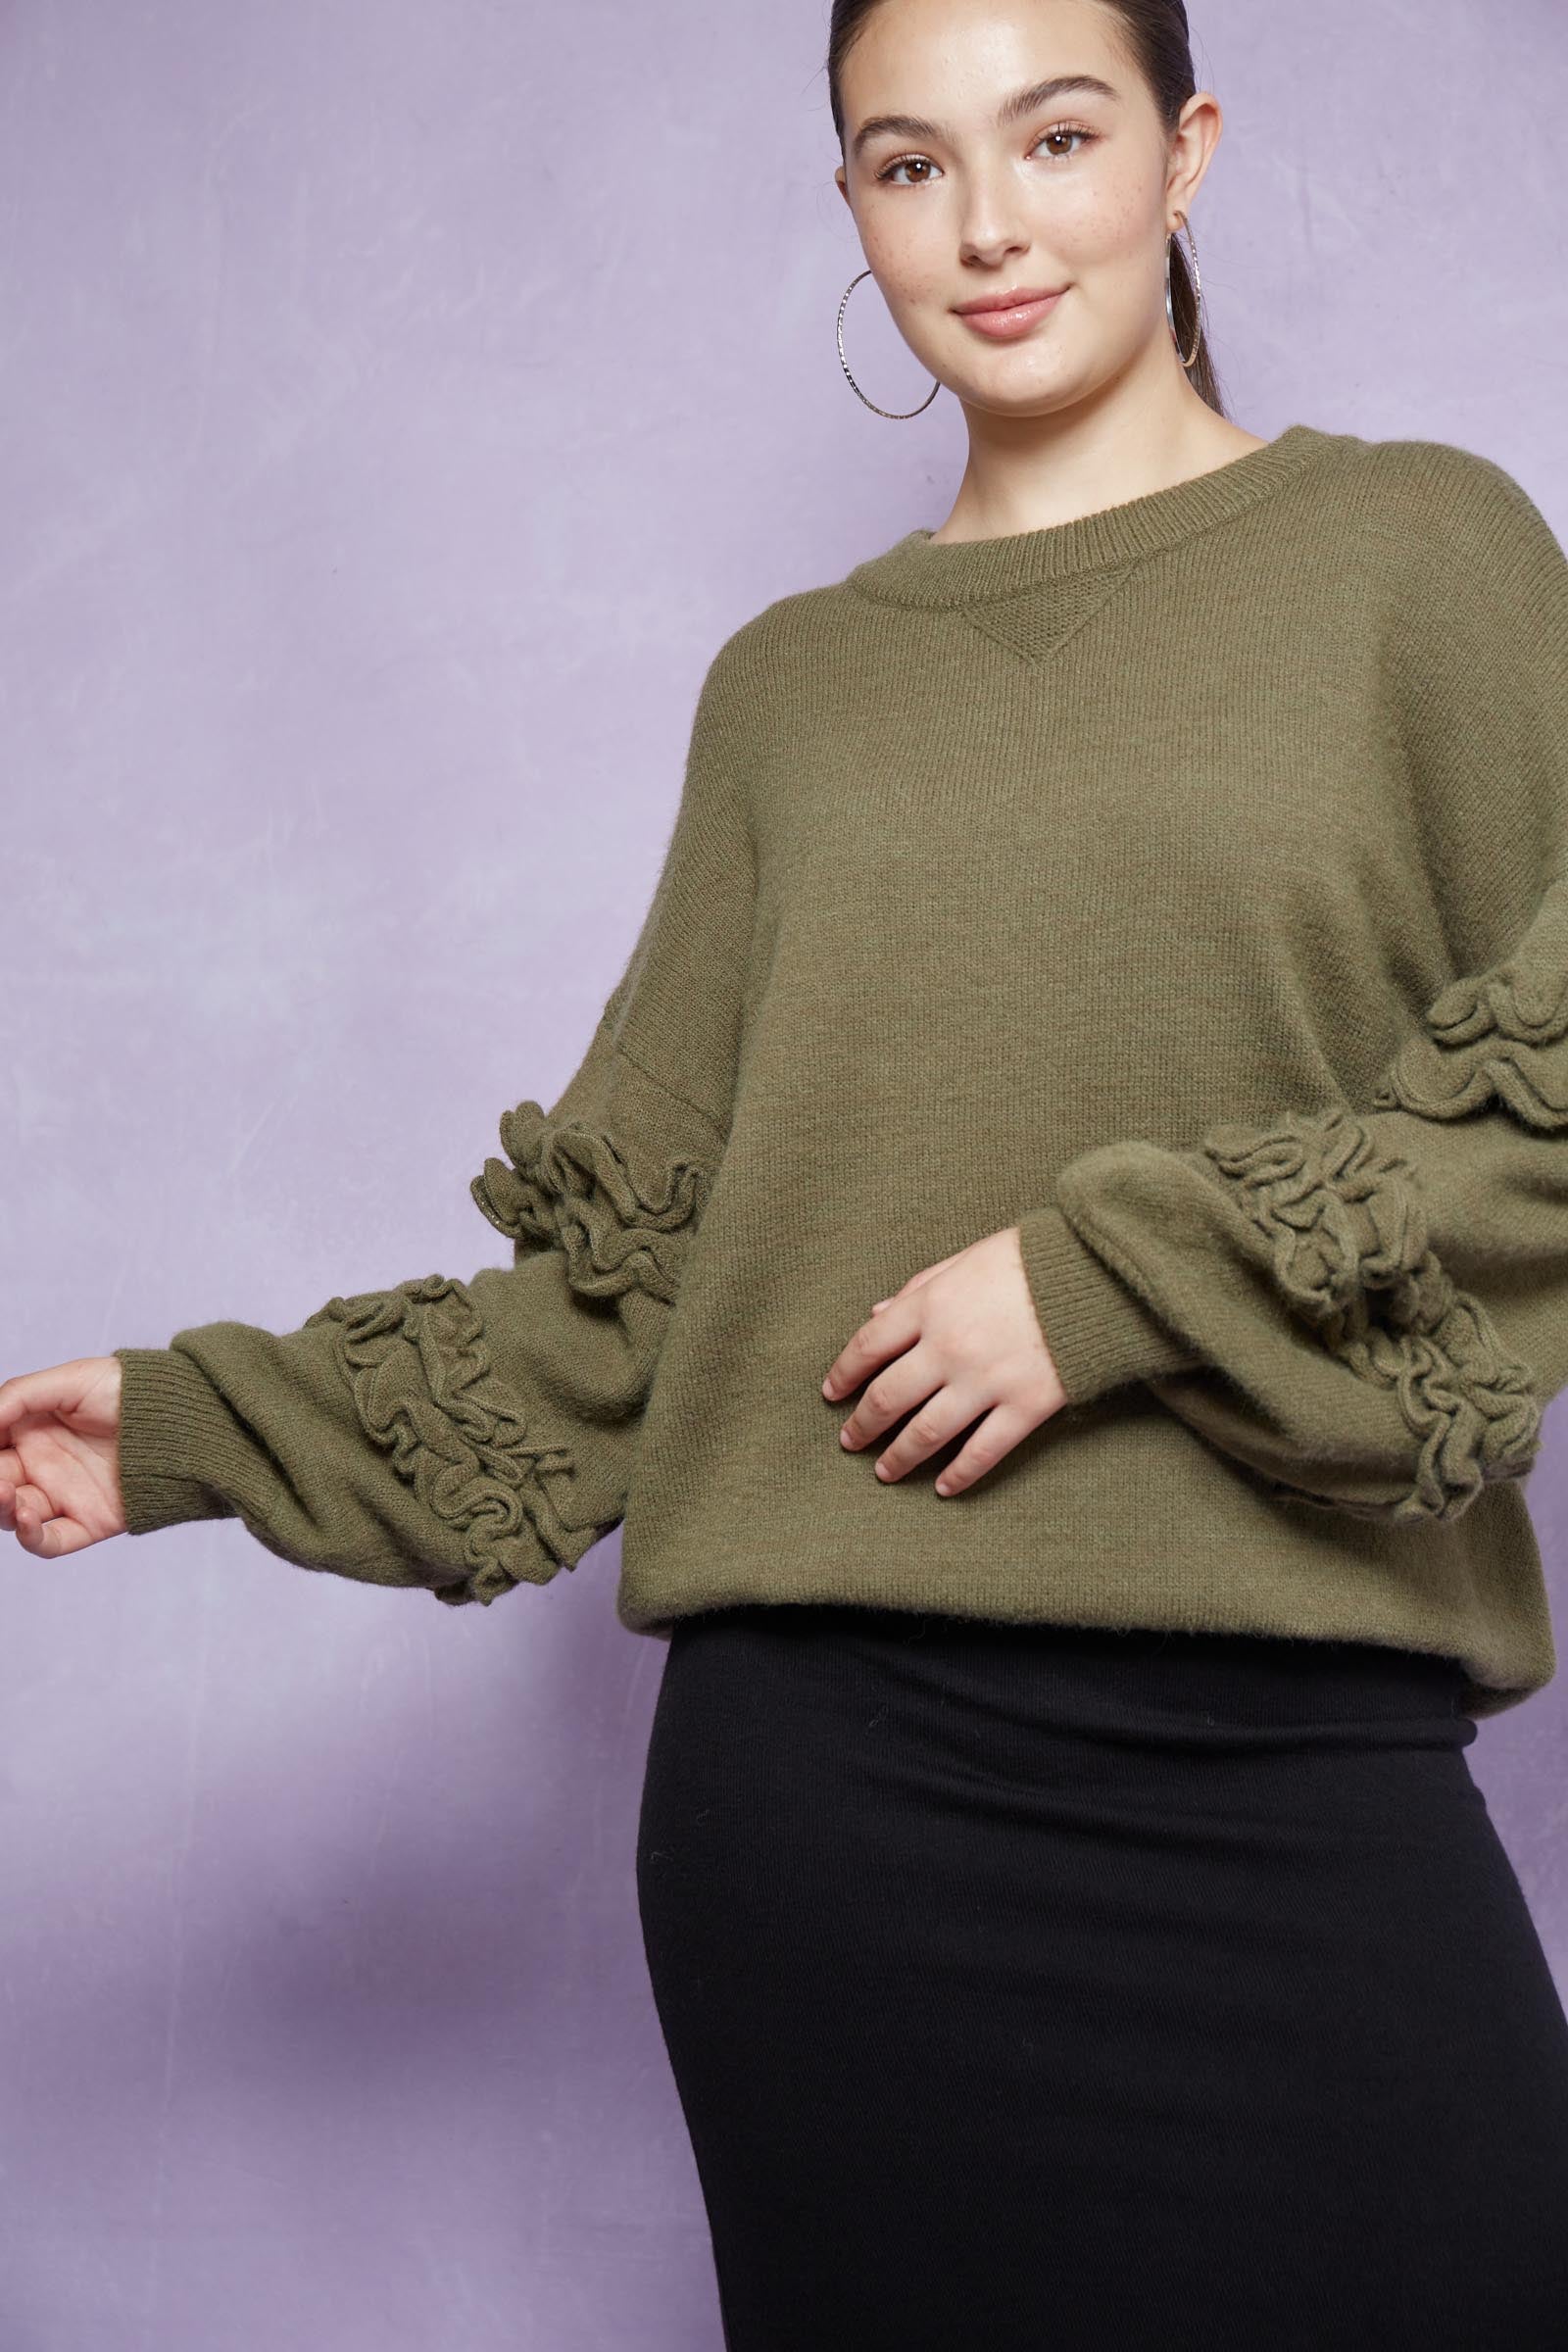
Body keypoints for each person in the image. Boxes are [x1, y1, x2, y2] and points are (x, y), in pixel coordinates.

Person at [4, 0, 1568, 2342]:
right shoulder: (792, 694)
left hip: (1298, 1742)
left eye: (1055, 137)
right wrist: (197, 1429)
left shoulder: (1419, 556)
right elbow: (631, 1301)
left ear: (1184, 151)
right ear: (851, 207)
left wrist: (1108, 1283)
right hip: (841, 1814)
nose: (987, 223)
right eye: (907, 163)